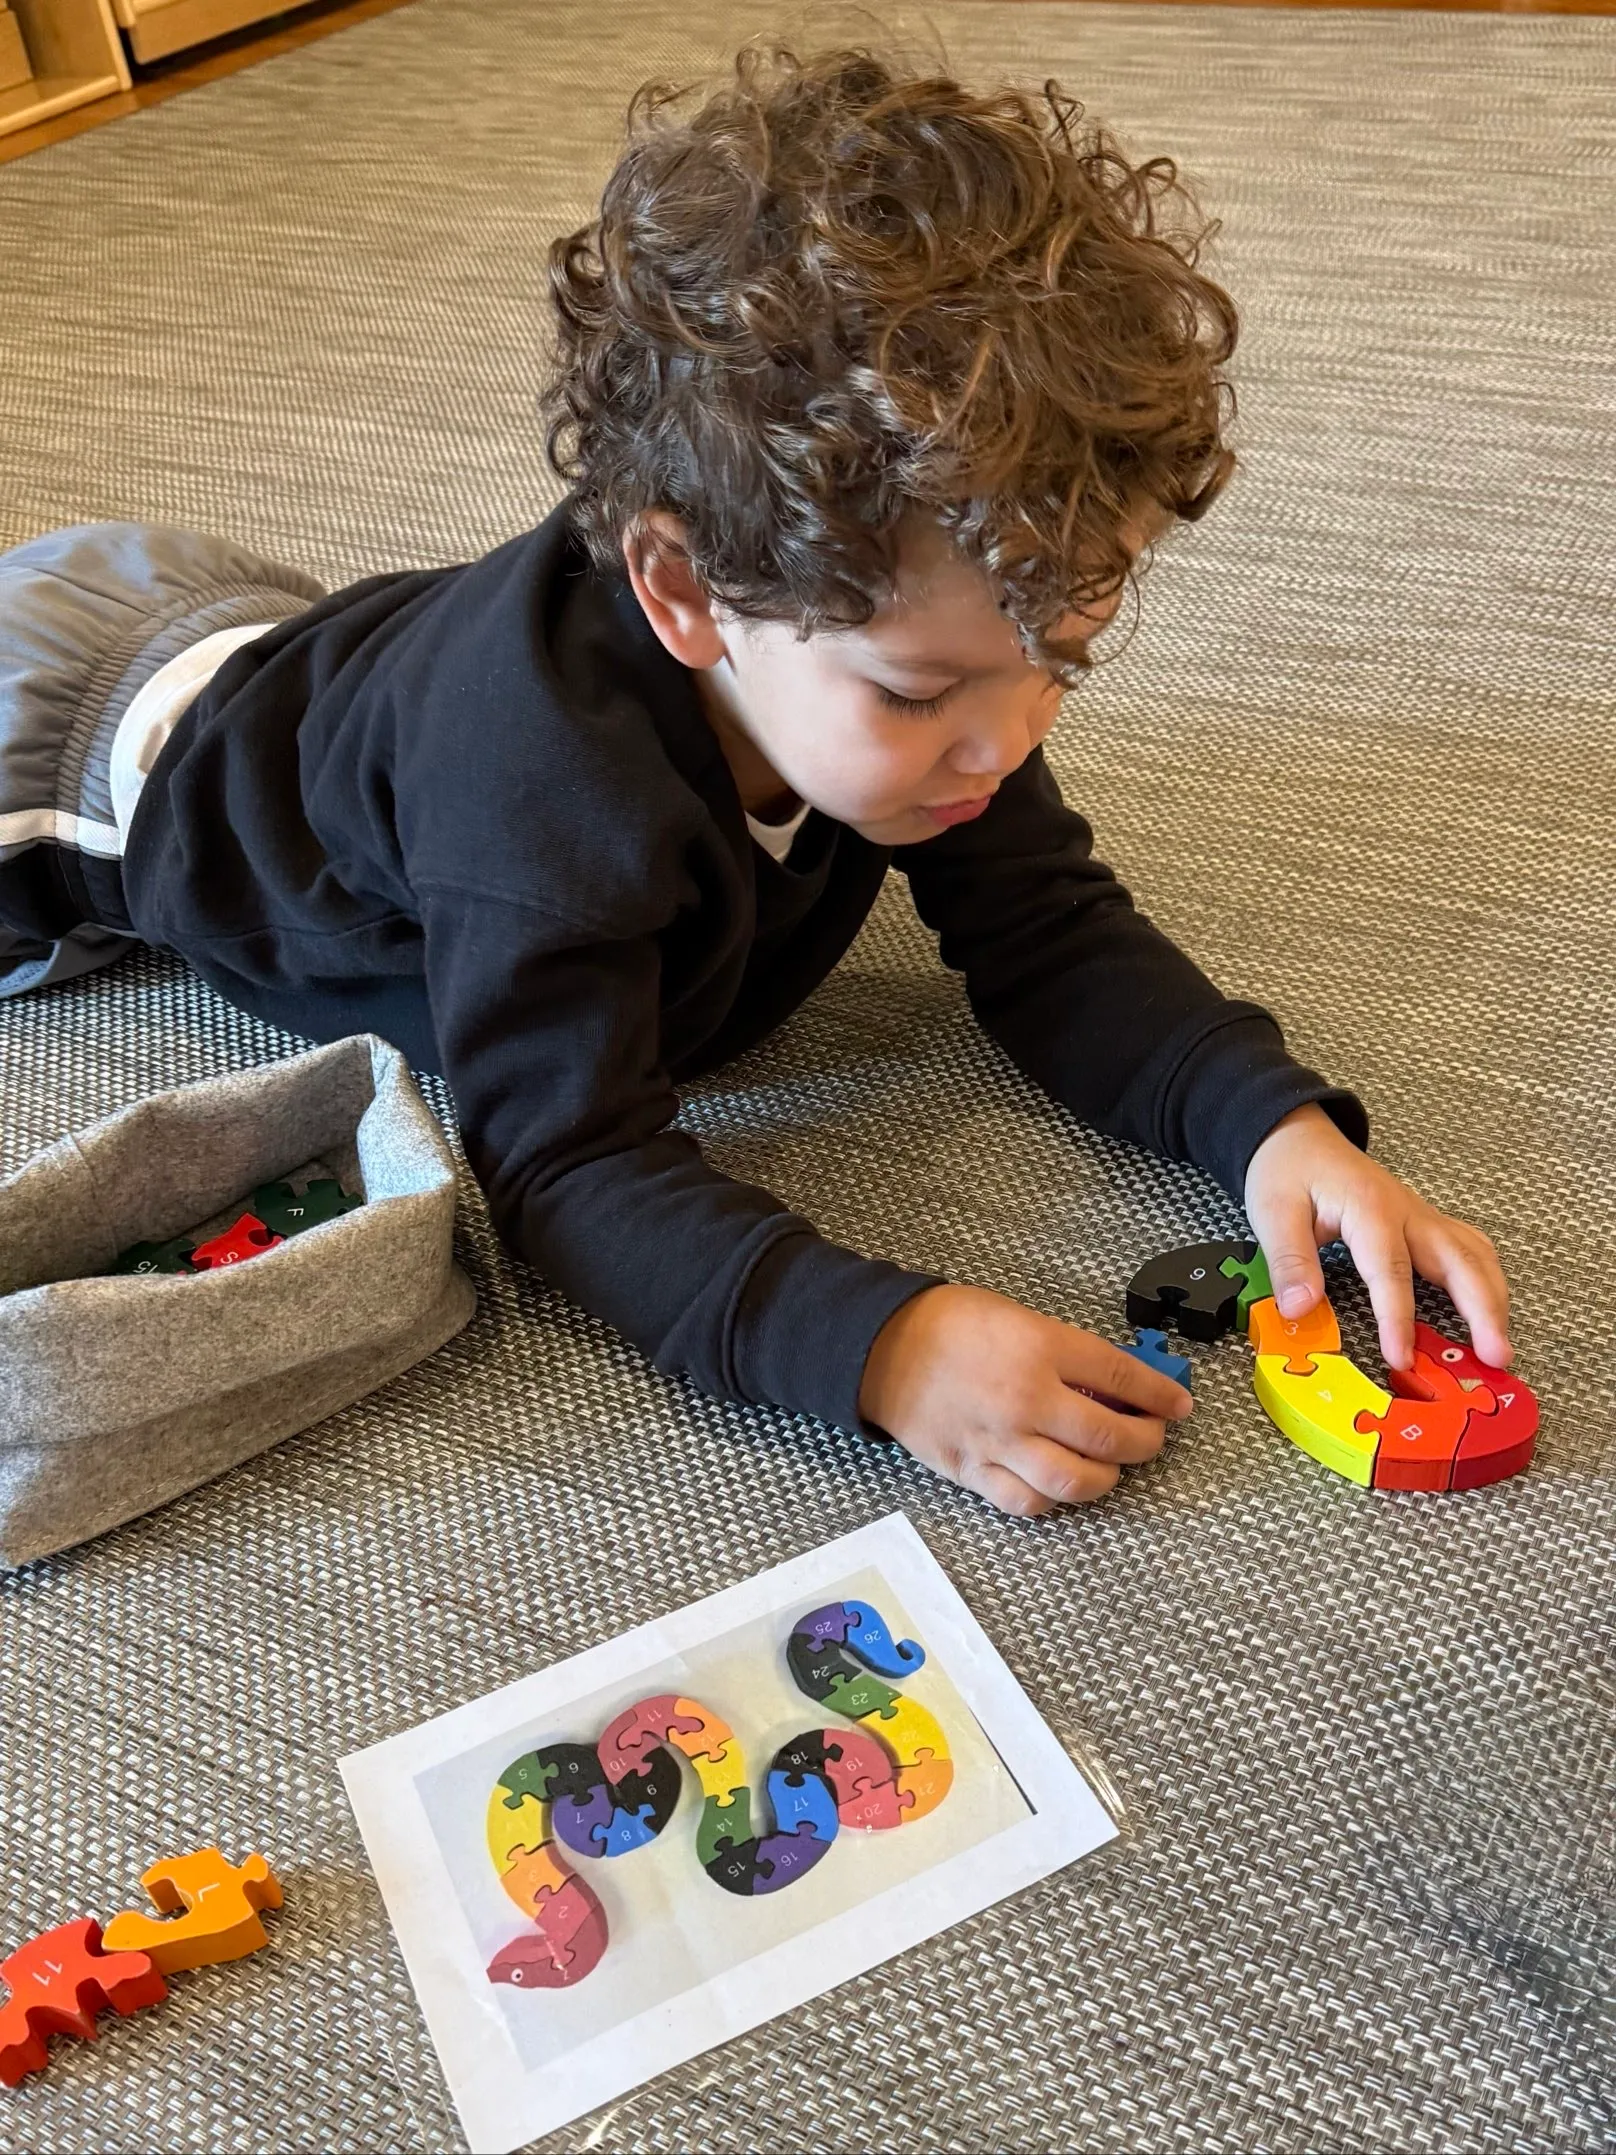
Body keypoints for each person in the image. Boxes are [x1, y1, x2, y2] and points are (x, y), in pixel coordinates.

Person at [0, 45, 1510, 1515]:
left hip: (302, 638)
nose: (1011, 738)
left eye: (1061, 655)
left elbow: (1047, 928)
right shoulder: (542, 803)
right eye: (922, 690)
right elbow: (567, 1158)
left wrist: (1268, 1124)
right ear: (685, 593)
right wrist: (879, 1345)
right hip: (83, 742)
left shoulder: (924, 687)